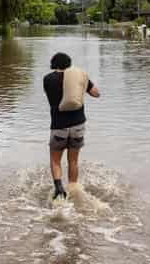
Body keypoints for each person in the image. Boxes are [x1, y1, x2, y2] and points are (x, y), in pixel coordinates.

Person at [43, 52, 100, 200]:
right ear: (69, 64)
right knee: (73, 160)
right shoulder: (80, 77)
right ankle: (74, 189)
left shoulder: (48, 79)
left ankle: (58, 188)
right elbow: (96, 94)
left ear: (53, 64)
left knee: (55, 160)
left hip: (58, 126)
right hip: (78, 125)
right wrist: (85, 84)